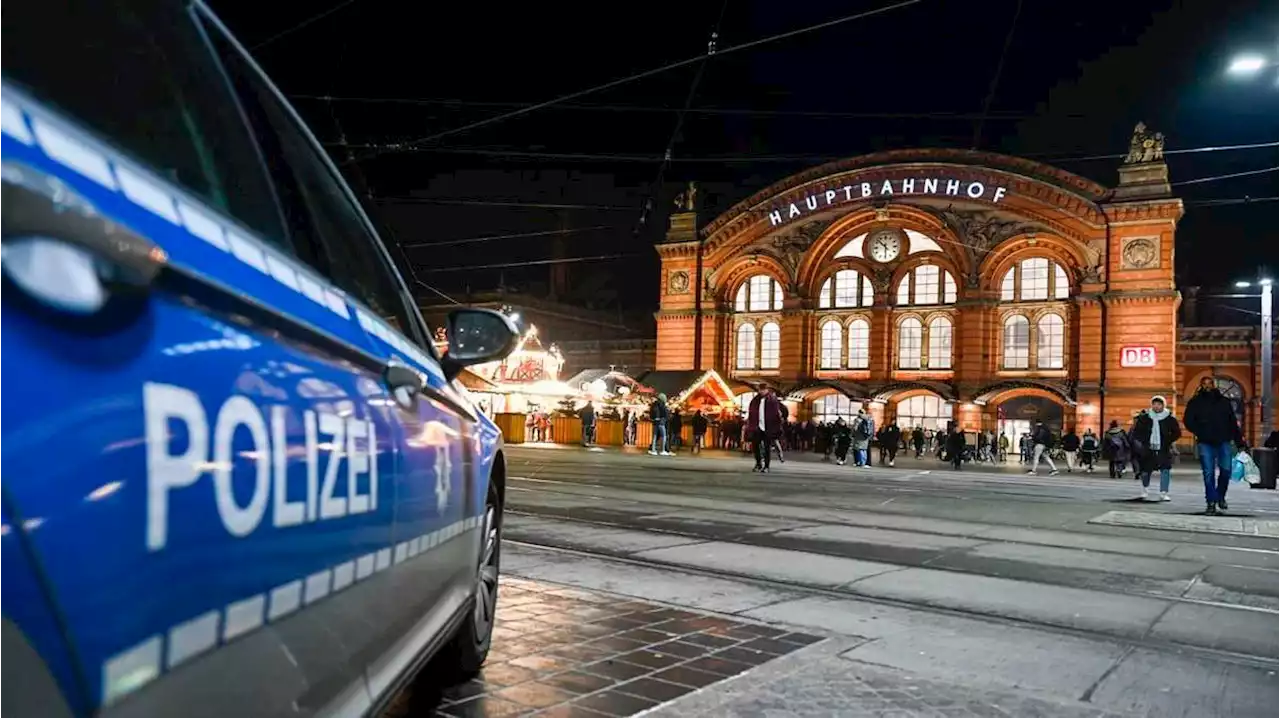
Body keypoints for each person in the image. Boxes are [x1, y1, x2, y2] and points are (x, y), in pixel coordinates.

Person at [1183, 376, 1244, 515]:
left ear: (1214, 385)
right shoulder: (1195, 402)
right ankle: (1211, 501)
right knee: (1208, 473)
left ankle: (1220, 496)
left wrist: (1239, 441)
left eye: (1209, 384)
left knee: (1226, 471)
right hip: (1205, 441)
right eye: (1204, 384)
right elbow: (1187, 420)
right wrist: (1199, 430)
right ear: (1201, 386)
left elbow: (1232, 422)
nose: (1207, 386)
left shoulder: (1224, 402)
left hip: (1223, 441)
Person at [1129, 395, 1181, 501]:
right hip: (1148, 448)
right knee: (1145, 470)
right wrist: (1144, 442)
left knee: (1165, 470)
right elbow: (1137, 432)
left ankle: (1163, 492)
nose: (1156, 406)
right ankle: (1145, 490)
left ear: (1163, 405)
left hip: (1163, 448)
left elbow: (1177, 433)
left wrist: (1168, 440)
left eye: (1159, 404)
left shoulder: (1169, 418)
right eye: (1154, 404)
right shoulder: (1145, 418)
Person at [747, 384, 784, 472]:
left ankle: (766, 466)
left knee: (767, 447)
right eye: (760, 390)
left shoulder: (772, 400)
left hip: (768, 427)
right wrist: (751, 426)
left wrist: (776, 427)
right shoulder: (755, 400)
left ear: (767, 390)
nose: (761, 391)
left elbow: (776, 415)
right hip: (757, 427)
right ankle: (758, 463)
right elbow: (751, 414)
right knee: (755, 446)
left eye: (763, 390)